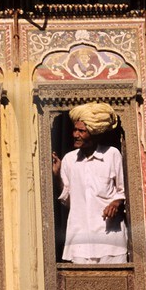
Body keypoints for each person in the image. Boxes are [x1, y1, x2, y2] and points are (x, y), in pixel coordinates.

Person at [51, 102, 128, 262]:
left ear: (94, 134)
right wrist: (57, 175)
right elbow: (67, 199)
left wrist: (116, 203)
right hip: (80, 241)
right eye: (75, 130)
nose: (75, 135)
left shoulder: (112, 155)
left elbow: (123, 190)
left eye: (82, 131)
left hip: (110, 240)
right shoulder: (69, 160)